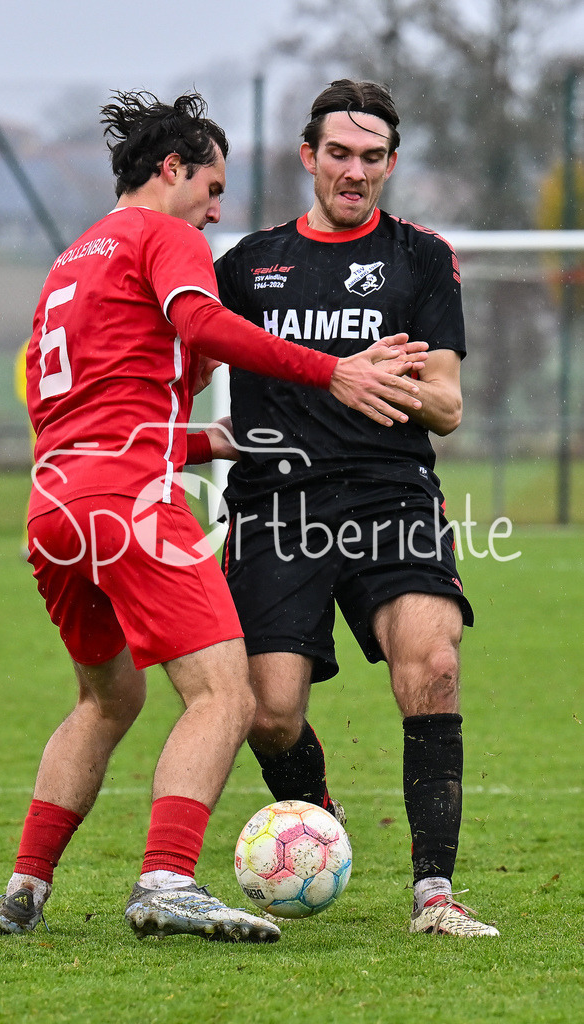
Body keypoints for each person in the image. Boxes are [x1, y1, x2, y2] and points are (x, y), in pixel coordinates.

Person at [0, 89, 430, 944]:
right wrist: (329, 371)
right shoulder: (165, 235)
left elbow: (76, 409)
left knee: (107, 701)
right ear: (171, 170)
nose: (217, 209)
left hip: (54, 506)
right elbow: (199, 320)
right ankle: (167, 880)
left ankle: (25, 888)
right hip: (130, 506)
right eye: (211, 186)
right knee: (227, 695)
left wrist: (196, 444)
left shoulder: (71, 260)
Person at [215, 79, 499, 937]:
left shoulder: (420, 257)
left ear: (391, 164)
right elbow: (190, 358)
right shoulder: (248, 265)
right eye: (339, 154)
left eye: (372, 158)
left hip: (389, 495)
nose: (355, 171)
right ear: (309, 158)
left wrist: (387, 380)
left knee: (434, 664)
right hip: (276, 504)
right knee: (269, 713)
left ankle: (434, 895)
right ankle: (317, 825)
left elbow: (448, 406)